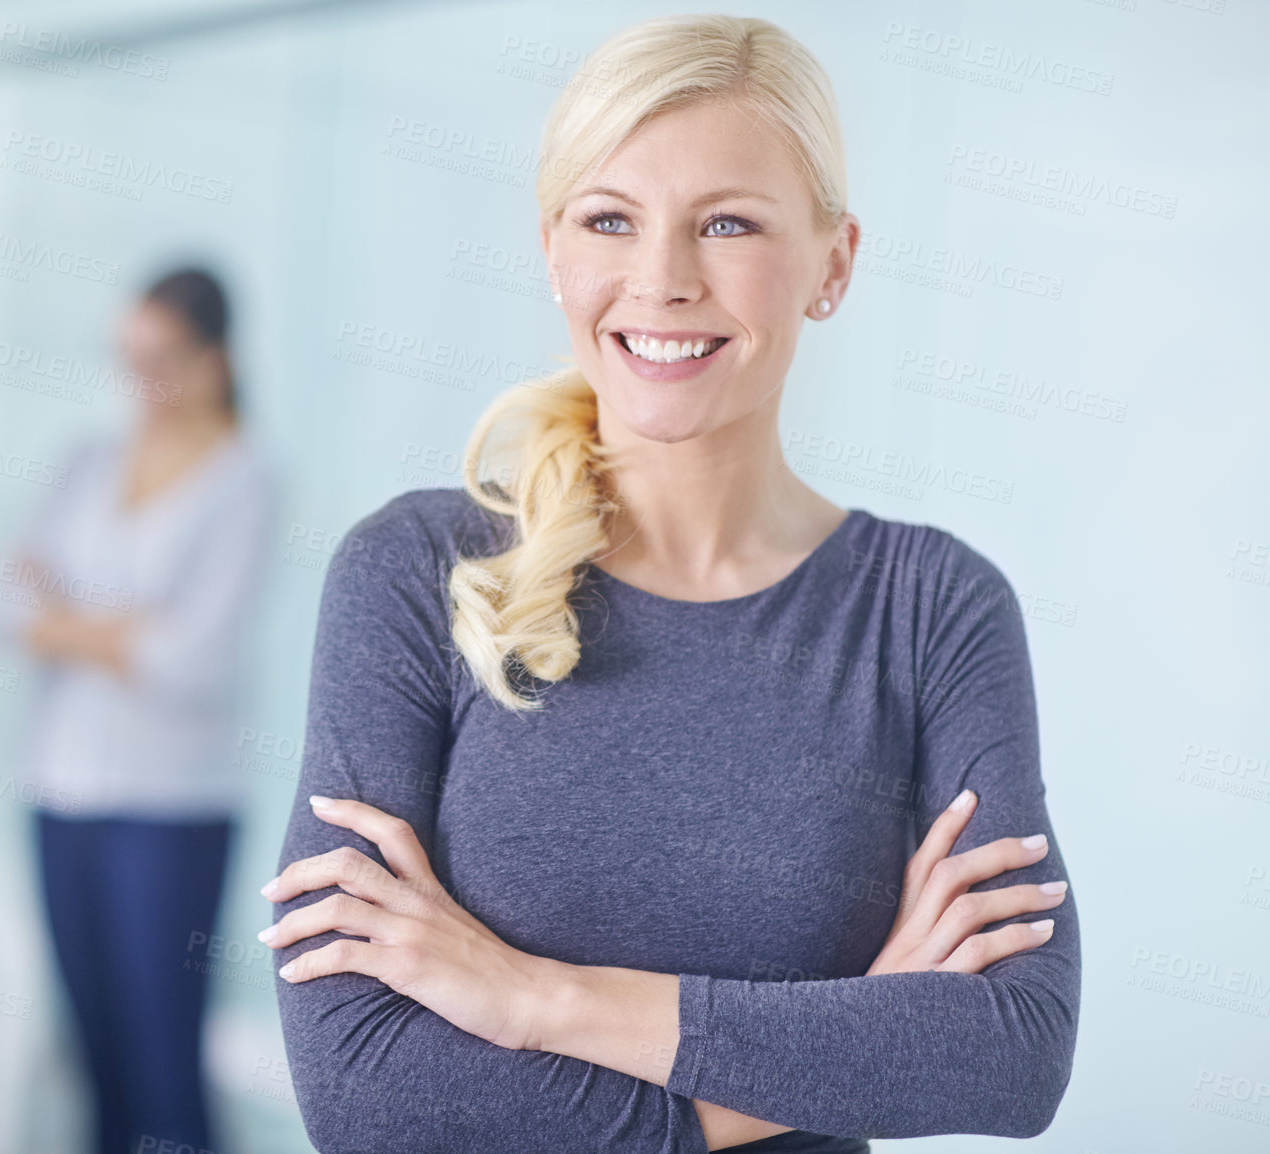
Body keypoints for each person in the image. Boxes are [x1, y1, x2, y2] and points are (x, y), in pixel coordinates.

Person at [263, 15, 1078, 1153]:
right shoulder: (415, 575)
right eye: (610, 220)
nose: (661, 280)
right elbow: (363, 1087)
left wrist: (529, 994)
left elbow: (1007, 1051)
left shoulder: (933, 609)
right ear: (553, 250)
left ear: (832, 261)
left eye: (728, 224)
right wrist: (842, 1049)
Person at [9, 267, 275, 1154]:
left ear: (214, 361)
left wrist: (70, 626)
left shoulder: (245, 480)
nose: (142, 379)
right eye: (130, 357)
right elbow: (14, 605)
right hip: (60, 793)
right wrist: (120, 628)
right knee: (92, 1061)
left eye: (163, 358)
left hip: (172, 812)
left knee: (164, 1069)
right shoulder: (86, 461)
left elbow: (192, 659)